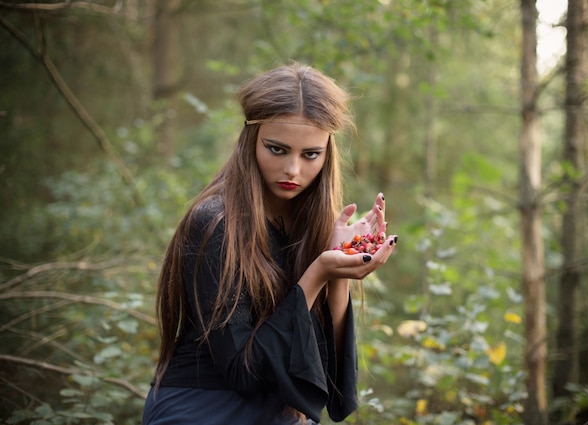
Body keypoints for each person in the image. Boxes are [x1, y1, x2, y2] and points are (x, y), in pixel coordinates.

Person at [142, 62, 398, 425]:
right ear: (251, 139)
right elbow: (244, 373)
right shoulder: (215, 223)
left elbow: (332, 384)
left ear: (327, 154)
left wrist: (338, 270)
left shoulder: (308, 225)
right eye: (277, 150)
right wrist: (316, 274)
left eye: (310, 154)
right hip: (203, 409)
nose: (293, 170)